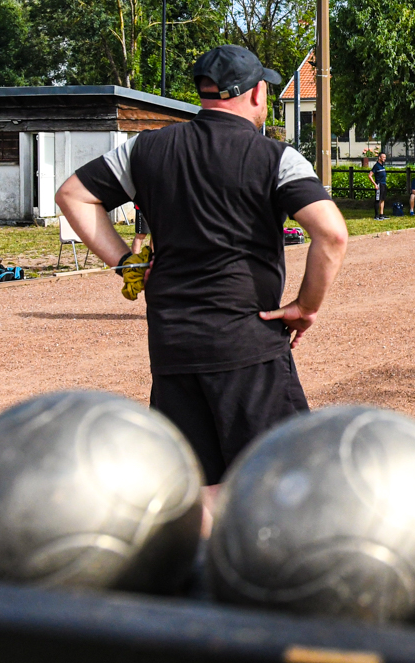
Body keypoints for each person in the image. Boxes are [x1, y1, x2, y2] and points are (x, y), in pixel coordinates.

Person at [56, 44, 348, 530]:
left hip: (173, 344)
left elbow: (73, 195)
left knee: (195, 485)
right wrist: (305, 305)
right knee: (289, 475)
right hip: (246, 343)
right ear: (257, 93)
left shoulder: (146, 148)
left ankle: (198, 591)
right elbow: (332, 234)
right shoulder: (274, 156)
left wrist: (127, 263)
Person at [368, 152, 388, 220]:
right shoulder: (376, 166)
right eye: (383, 157)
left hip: (383, 184)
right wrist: (375, 184)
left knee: (382, 199)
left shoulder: (382, 165)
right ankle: (376, 215)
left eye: (385, 157)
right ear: (379, 158)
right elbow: (370, 175)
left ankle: (381, 214)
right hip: (379, 184)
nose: (384, 159)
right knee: (377, 200)